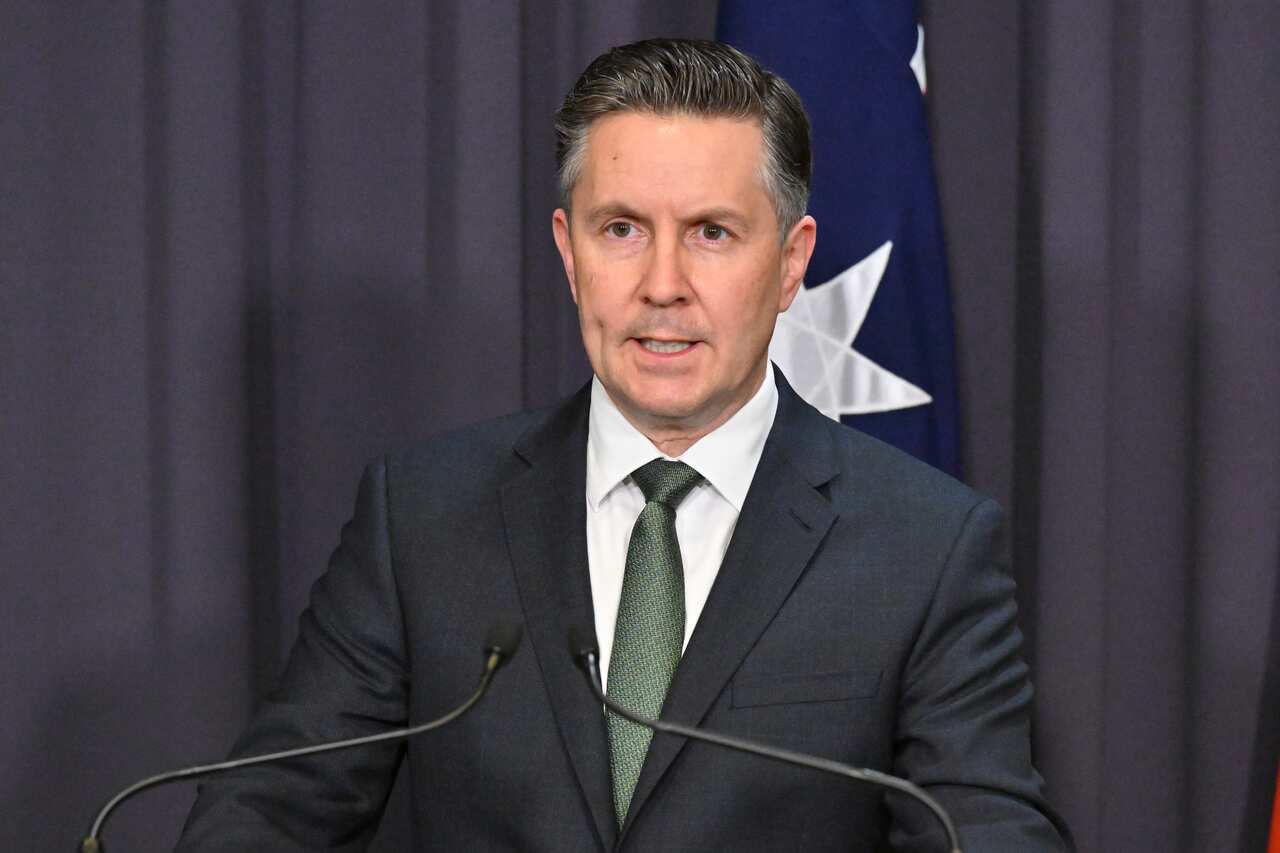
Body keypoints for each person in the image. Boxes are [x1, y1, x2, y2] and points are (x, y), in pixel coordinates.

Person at [177, 38, 1071, 852]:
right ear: (570, 254)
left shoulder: (927, 548)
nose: (662, 286)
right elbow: (264, 815)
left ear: (793, 262)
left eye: (711, 234)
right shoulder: (419, 517)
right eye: (622, 230)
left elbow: (988, 835)